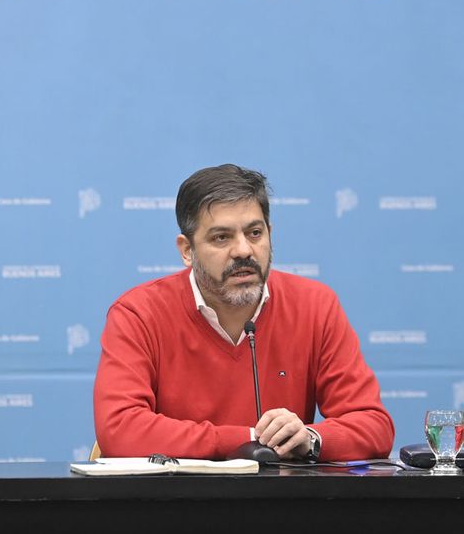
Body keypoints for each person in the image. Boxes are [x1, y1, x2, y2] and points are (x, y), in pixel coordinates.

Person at [93, 164, 394, 461]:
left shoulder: (315, 306)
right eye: (221, 237)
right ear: (187, 250)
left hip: (278, 504)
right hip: (175, 502)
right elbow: (120, 429)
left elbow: (373, 425)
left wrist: (310, 439)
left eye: (254, 233)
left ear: (270, 234)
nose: (243, 250)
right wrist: (249, 440)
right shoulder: (139, 313)